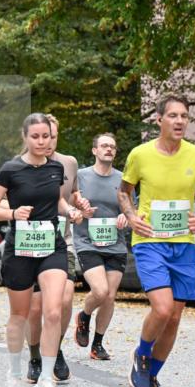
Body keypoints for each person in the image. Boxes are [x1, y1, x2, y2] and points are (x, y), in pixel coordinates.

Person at [0, 113, 91, 387]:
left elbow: (56, 201)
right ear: (25, 137)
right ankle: (15, 375)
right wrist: (11, 214)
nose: (42, 142)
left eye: (46, 136)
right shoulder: (11, 169)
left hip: (51, 244)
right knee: (20, 315)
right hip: (20, 247)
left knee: (53, 311)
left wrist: (71, 212)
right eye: (36, 137)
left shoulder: (57, 168)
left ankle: (45, 380)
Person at [118, 94, 195, 387]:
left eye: (184, 116)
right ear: (158, 120)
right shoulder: (140, 154)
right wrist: (133, 218)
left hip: (183, 245)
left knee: (174, 317)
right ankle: (142, 355)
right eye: (173, 116)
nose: (179, 121)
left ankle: (151, 378)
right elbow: (124, 192)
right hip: (150, 241)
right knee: (161, 308)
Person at [25, 113, 80, 385]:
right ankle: (35, 356)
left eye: (52, 137)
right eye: (41, 136)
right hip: (30, 243)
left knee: (65, 300)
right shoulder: (20, 165)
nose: (47, 142)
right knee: (35, 308)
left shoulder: (69, 163)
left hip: (62, 242)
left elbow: (73, 194)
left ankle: (54, 348)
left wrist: (79, 206)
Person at [73, 133, 129, 360]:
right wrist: (78, 210)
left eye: (113, 147)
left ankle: (97, 344)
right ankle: (85, 315)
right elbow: (67, 203)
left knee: (110, 296)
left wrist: (126, 216)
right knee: (100, 291)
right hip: (88, 242)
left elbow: (131, 208)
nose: (109, 149)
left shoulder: (123, 179)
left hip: (116, 243)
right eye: (104, 146)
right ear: (94, 150)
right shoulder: (80, 177)